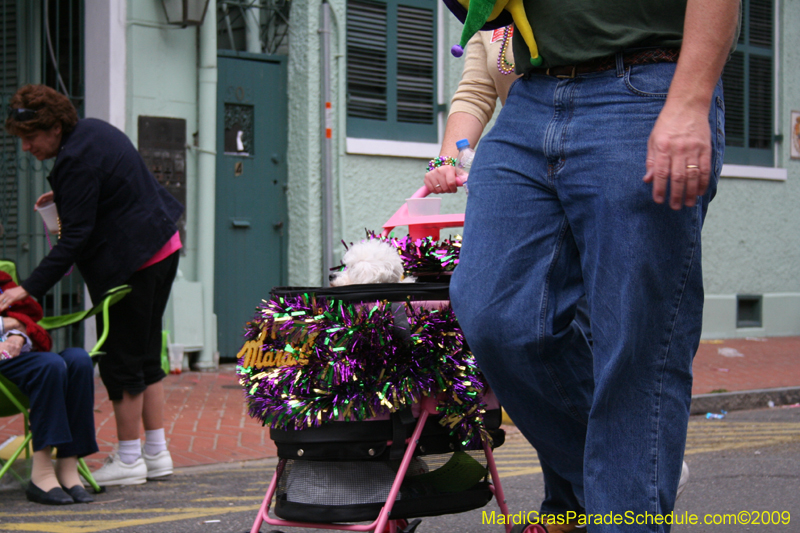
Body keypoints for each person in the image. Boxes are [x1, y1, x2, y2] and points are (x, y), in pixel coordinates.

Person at [447, 2, 739, 532]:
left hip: (644, 84)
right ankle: (637, 477)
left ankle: (628, 502)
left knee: (634, 345)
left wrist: (690, 99)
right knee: (492, 315)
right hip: (530, 95)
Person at [2, 84, 184, 486]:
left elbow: (75, 238)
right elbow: (108, 182)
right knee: (146, 354)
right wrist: (67, 195)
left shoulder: (75, 161)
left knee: (121, 361)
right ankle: (156, 453)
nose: (27, 147)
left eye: (31, 138)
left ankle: (129, 458)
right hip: (162, 245)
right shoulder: (93, 131)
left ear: (54, 128)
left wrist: (27, 288)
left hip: (131, 261)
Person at [0, 270, 98, 504]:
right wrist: (6, 323)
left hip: (19, 357)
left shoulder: (2, 280)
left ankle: (68, 466)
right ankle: (41, 474)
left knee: (79, 360)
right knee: (49, 365)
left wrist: (18, 333)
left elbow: (27, 316)